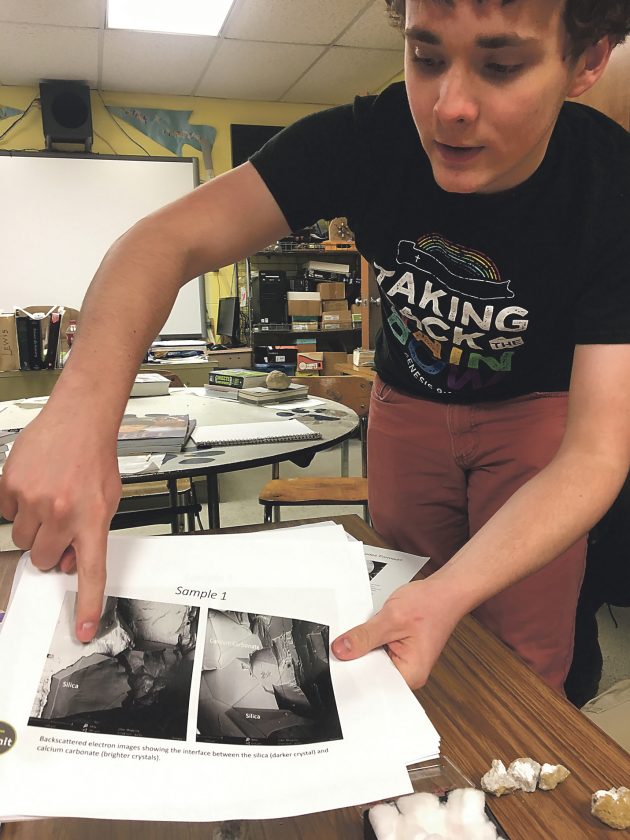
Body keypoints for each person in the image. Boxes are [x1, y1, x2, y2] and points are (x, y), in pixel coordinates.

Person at [1, 0, 629, 696]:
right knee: (397, 612)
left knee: (520, 662)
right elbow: (160, 242)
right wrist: (80, 414)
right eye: (425, 57)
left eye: (501, 66)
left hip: (537, 414)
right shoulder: (367, 139)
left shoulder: (612, 188)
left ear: (588, 62)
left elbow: (595, 454)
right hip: (410, 407)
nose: (448, 106)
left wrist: (453, 593)